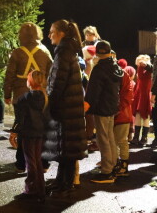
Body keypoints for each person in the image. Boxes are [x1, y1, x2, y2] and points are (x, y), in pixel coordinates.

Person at [43, 19, 87, 199]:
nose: (49, 35)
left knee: (66, 148)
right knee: (65, 148)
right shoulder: (68, 51)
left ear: (61, 33)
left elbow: (57, 84)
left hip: (65, 108)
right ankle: (61, 180)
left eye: (52, 31)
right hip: (70, 107)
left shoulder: (63, 53)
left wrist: (49, 104)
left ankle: (66, 184)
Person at [3, 23, 53, 172]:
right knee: (42, 128)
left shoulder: (17, 52)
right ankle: (43, 163)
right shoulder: (45, 51)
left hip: (21, 95)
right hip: (41, 95)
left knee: (22, 127)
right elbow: (51, 74)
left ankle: (21, 163)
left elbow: (9, 75)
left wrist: (7, 94)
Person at [85, 40, 123, 183]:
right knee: (110, 137)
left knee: (103, 139)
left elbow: (93, 90)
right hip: (112, 106)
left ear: (97, 52)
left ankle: (107, 171)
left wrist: (87, 104)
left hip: (101, 107)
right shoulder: (115, 66)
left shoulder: (100, 68)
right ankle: (113, 164)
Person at [10, 70, 50, 204]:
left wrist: (14, 133)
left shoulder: (24, 98)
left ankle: (31, 189)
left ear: (30, 82)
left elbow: (20, 118)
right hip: (41, 133)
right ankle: (40, 189)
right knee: (37, 161)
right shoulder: (45, 97)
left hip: (28, 133)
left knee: (30, 161)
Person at [113, 64, 136, 178]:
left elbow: (127, 99)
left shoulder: (125, 81)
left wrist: (117, 109)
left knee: (121, 141)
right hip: (121, 115)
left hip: (122, 116)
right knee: (117, 141)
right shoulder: (126, 80)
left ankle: (123, 166)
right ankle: (119, 164)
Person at [131, 54, 152, 147]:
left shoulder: (147, 71)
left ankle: (143, 137)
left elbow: (141, 75)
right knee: (139, 116)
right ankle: (138, 137)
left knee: (145, 116)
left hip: (145, 94)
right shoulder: (142, 70)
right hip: (140, 94)